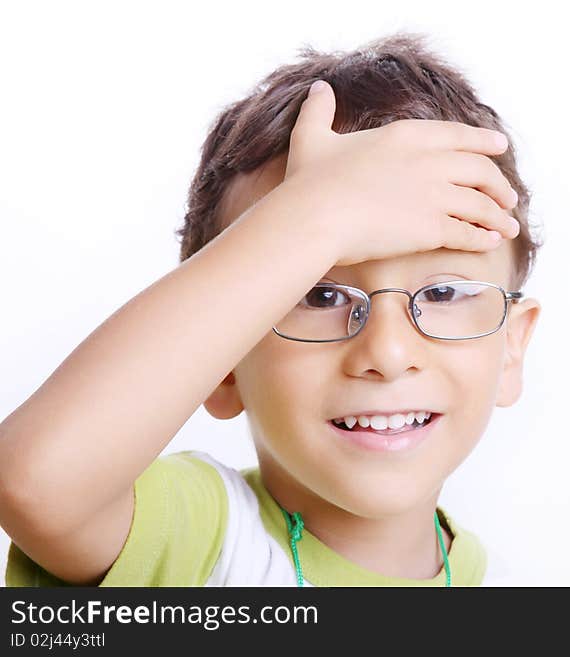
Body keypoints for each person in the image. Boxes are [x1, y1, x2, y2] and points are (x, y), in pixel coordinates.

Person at [1, 31, 542, 587]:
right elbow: (37, 483)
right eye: (320, 294)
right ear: (222, 360)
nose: (388, 351)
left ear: (511, 347)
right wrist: (314, 217)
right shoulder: (204, 543)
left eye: (443, 293)